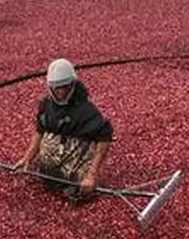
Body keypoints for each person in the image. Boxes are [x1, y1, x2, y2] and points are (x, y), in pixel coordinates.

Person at [14, 58, 114, 203]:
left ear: (73, 84)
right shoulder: (46, 105)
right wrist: (27, 158)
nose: (61, 92)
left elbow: (104, 138)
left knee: (82, 191)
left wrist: (91, 175)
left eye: (65, 87)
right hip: (58, 157)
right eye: (56, 88)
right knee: (49, 173)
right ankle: (54, 174)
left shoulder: (85, 110)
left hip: (77, 158)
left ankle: (77, 179)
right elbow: (40, 130)